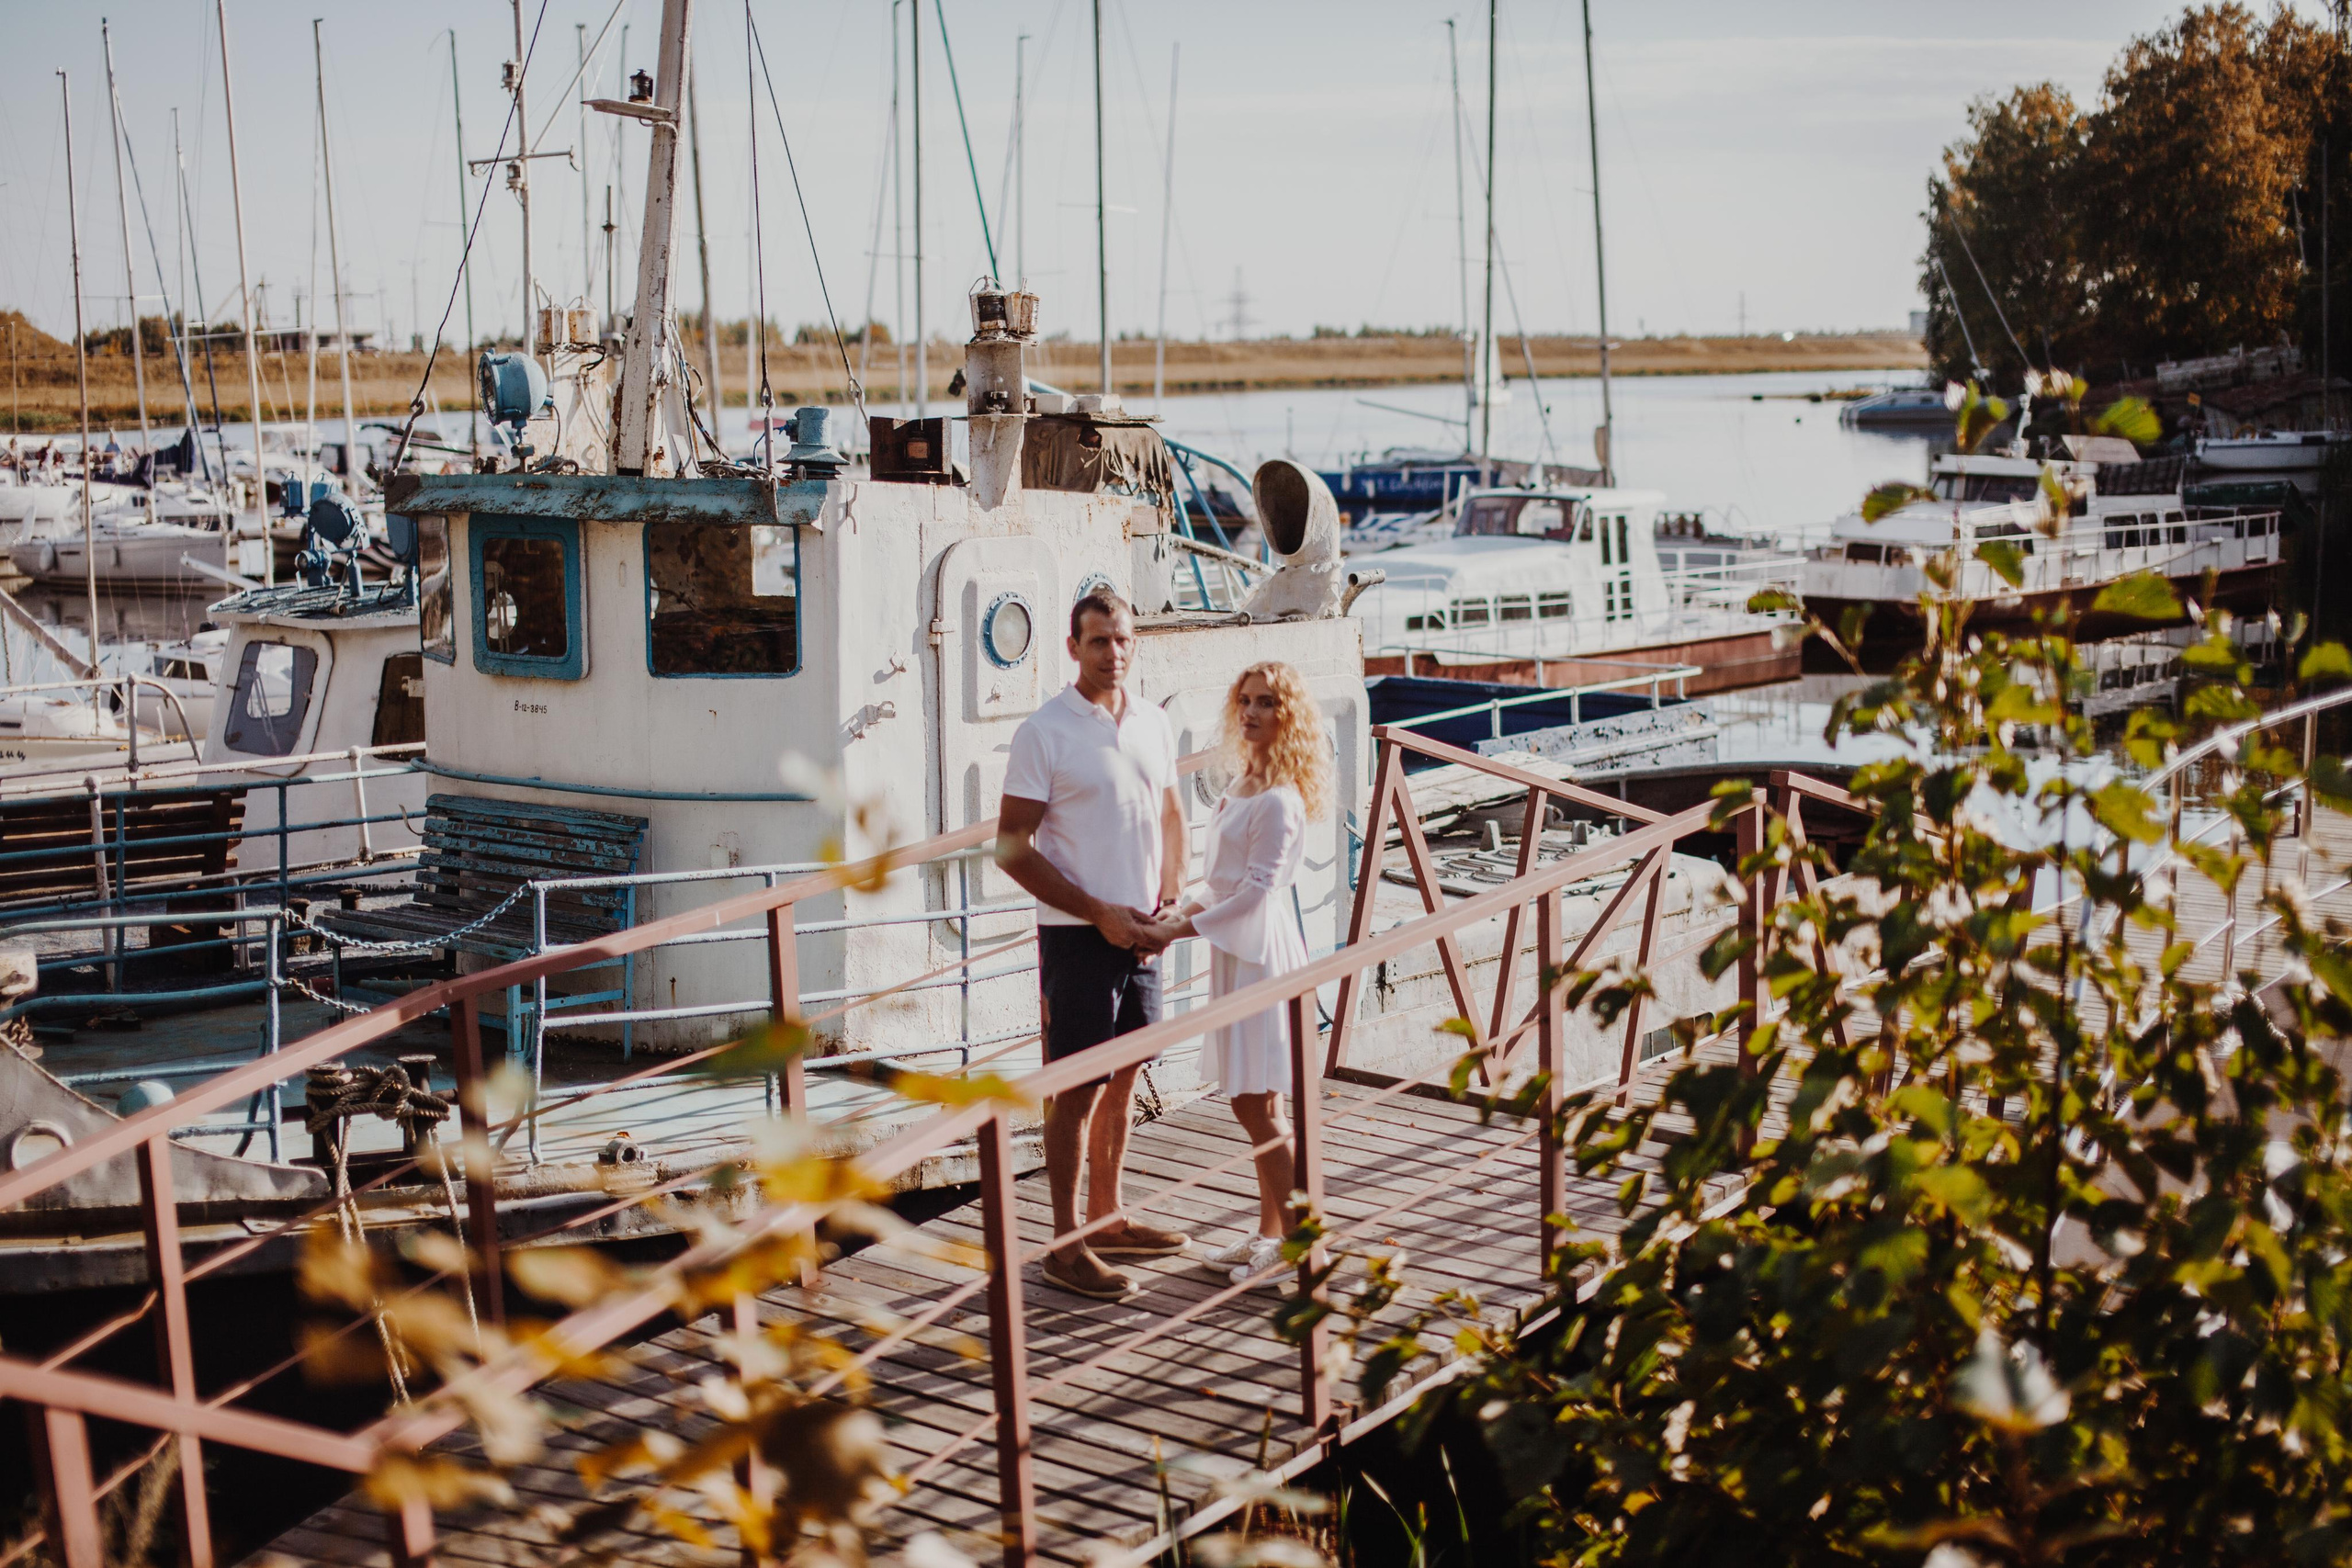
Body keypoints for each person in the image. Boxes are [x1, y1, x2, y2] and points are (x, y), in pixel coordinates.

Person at [996, 588, 1193, 1300]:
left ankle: (1107, 1217)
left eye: (1123, 640)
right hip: (1078, 935)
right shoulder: (1044, 732)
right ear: (1073, 648)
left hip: (1142, 929)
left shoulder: (1152, 722)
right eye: (1099, 641)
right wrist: (1097, 912)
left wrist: (1167, 903)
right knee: (1075, 1089)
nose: (1114, 653)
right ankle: (1065, 1245)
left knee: (1128, 1072)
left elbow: (1170, 814)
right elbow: (1011, 849)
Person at [1143, 661, 1329, 1285]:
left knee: (1258, 1103)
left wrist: (1181, 929)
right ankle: (1272, 1234)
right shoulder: (1244, 782)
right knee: (1254, 1101)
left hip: (1261, 954)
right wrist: (1177, 912)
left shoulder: (1279, 800)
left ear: (1288, 715)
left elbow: (1255, 893)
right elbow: (1221, 883)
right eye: (1244, 700)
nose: (1250, 712)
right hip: (1235, 949)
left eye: (1266, 702)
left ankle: (1303, 1245)